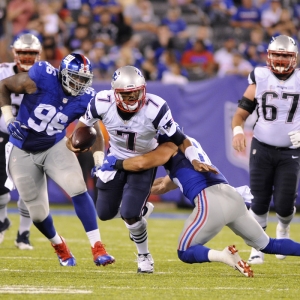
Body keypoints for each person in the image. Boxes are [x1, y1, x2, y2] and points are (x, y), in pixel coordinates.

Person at [100, 131, 300, 277]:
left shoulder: (168, 145)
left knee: (185, 251)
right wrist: (139, 192)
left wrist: (113, 165)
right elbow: (165, 184)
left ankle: (224, 256)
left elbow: (144, 162)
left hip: (210, 201)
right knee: (267, 244)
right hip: (231, 196)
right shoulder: (188, 147)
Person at [66, 65, 203, 273]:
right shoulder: (102, 102)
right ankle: (142, 210)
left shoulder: (155, 107)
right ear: (116, 93)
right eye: (126, 94)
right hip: (115, 158)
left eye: (136, 93)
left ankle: (144, 255)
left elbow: (180, 139)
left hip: (143, 160)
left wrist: (194, 159)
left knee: (130, 213)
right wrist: (76, 143)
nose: (132, 98)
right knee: (103, 213)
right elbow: (83, 128)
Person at [0, 52, 115, 267]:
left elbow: (96, 132)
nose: (79, 83)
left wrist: (99, 162)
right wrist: (9, 119)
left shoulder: (87, 97)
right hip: (21, 148)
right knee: (37, 213)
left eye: (83, 79)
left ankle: (97, 247)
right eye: (75, 77)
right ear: (62, 73)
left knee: (77, 186)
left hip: (54, 145)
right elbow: (4, 86)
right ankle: (59, 245)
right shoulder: (42, 76)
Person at [231, 34, 300, 265]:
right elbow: (240, 114)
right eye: (277, 55)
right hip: (261, 146)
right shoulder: (259, 76)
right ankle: (257, 246)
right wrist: (238, 131)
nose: (280, 60)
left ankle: (283, 230)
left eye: (285, 55)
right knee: (259, 200)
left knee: (283, 203)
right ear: (269, 56)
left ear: (295, 58)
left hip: (291, 150)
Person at [0, 33, 42, 249]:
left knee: (28, 189)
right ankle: (2, 220)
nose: (26, 56)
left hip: (30, 137)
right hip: (3, 135)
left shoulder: (45, 75)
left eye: (31, 52)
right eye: (23, 52)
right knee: (0, 189)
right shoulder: (2, 72)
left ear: (38, 54)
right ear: (15, 53)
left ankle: (23, 234)